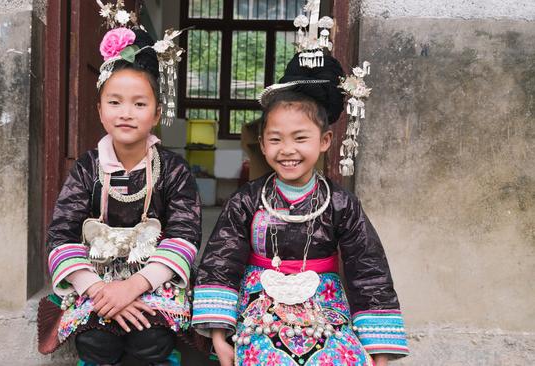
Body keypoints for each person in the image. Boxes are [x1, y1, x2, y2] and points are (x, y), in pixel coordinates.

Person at [191, 11, 409, 366]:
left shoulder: (341, 203)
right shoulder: (247, 200)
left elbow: (368, 270)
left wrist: (378, 354)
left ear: (324, 141)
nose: (287, 150)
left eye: (300, 138)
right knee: (265, 357)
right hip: (259, 306)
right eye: (275, 139)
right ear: (262, 144)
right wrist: (219, 337)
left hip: (325, 308)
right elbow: (221, 261)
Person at [37, 3, 200, 365]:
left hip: (153, 282)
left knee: (151, 340)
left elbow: (185, 235)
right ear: (99, 109)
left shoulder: (172, 170)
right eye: (115, 102)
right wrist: (97, 290)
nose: (126, 112)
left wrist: (134, 287)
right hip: (96, 282)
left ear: (157, 113)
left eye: (139, 103)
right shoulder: (87, 168)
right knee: (96, 342)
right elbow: (61, 234)